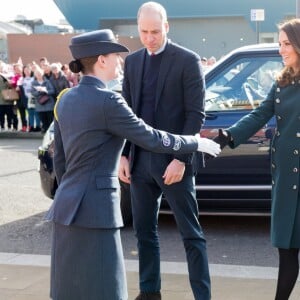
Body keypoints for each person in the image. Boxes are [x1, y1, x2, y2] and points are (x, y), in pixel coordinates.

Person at [44, 29, 220, 300]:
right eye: (115, 56)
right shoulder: (108, 100)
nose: (120, 61)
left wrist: (72, 192)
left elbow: (61, 160)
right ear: (101, 60)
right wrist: (193, 144)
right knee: (107, 289)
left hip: (66, 208)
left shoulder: (65, 98)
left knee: (70, 289)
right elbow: (151, 137)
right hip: (97, 211)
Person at [118, 2, 210, 299]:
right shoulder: (132, 63)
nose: (149, 38)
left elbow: (195, 115)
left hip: (175, 164)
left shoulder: (188, 60)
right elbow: (127, 114)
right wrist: (123, 154)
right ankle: (149, 292)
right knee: (144, 234)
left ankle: (202, 295)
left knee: (191, 236)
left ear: (167, 27)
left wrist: (181, 159)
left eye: (155, 31)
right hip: (139, 163)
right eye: (143, 32)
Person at [213, 18, 300, 300]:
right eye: (280, 44)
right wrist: (228, 136)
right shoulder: (284, 82)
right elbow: (260, 114)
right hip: (287, 179)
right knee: (287, 251)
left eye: (286, 44)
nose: (281, 49)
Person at [31, 66, 55, 133]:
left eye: (39, 73)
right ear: (35, 75)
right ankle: (45, 130)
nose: (38, 75)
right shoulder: (33, 83)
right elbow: (33, 93)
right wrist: (39, 91)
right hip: (40, 104)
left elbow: (52, 90)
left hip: (49, 103)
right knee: (43, 119)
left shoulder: (47, 81)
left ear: (42, 73)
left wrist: (46, 91)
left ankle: (51, 132)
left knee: (50, 119)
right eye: (37, 74)